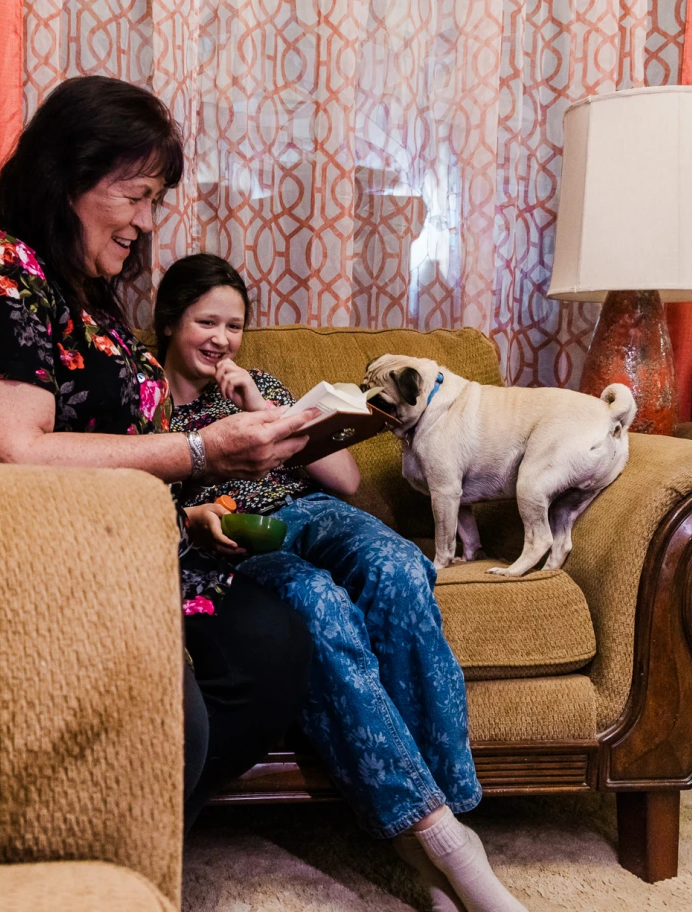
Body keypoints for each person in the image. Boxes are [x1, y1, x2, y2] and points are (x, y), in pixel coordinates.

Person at [0, 75, 317, 829]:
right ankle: (67, 839)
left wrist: (190, 513)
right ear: (69, 174)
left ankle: (102, 832)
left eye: (155, 202)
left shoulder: (75, 286)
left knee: (272, 649)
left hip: (120, 546)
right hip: (21, 565)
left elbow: (109, 447)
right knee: (187, 717)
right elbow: (1, 456)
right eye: (137, 195)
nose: (147, 222)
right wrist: (201, 451)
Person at [155, 253, 528, 912]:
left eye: (234, 325)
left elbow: (348, 483)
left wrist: (263, 408)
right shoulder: (143, 400)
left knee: (399, 568)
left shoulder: (255, 383)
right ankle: (444, 851)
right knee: (318, 606)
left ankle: (444, 832)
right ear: (169, 321)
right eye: (205, 321)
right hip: (243, 535)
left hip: (314, 512)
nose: (221, 339)